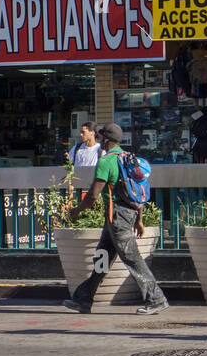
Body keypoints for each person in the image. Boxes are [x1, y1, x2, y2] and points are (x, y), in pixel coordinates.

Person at [64, 123, 168, 315]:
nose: (101, 141)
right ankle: (84, 299)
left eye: (102, 137)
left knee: (132, 258)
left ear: (106, 140)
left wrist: (76, 211)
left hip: (117, 216)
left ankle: (156, 299)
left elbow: (94, 195)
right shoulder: (127, 158)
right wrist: (139, 219)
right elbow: (138, 193)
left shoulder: (106, 162)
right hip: (125, 214)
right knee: (102, 255)